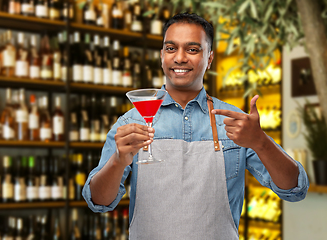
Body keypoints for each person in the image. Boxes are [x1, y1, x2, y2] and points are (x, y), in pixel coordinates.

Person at [82, 12, 309, 239]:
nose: (180, 58)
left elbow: (295, 189)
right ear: (162, 56)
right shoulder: (131, 123)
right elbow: (99, 202)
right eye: (171, 48)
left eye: (193, 49)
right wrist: (118, 162)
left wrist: (261, 142)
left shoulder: (235, 122)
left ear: (209, 58)